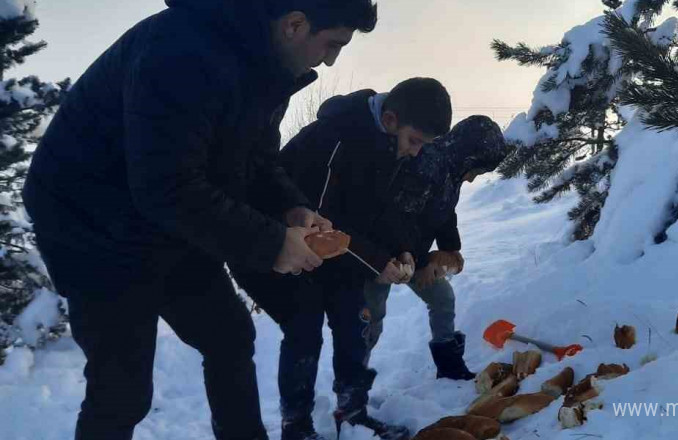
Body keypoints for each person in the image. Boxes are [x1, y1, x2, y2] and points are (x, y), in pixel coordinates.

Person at [22, 1, 377, 439]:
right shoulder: (181, 50)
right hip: (91, 226)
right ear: (295, 24)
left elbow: (258, 161)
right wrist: (271, 244)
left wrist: (291, 208)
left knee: (229, 337)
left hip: (167, 218)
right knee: (122, 390)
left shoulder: (266, 69)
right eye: (333, 44)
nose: (331, 59)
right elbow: (165, 185)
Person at [233, 78, 452, 440]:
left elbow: (386, 210)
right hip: (285, 246)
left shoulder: (393, 146)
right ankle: (297, 426)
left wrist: (401, 249)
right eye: (415, 141)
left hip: (339, 254)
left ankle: (352, 410)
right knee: (304, 328)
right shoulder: (336, 136)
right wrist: (376, 261)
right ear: (392, 119)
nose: (416, 152)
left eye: (423, 146)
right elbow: (322, 221)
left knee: (356, 322)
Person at [363, 115, 509, 380]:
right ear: (469, 156)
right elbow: (398, 218)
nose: (474, 179)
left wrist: (450, 249)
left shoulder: (450, 170)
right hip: (379, 254)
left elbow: (444, 213)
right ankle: (351, 394)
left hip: (413, 256)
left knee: (442, 298)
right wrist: (419, 262)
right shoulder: (425, 164)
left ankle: (449, 367)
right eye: (476, 171)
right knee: (370, 321)